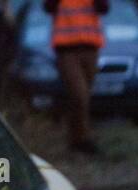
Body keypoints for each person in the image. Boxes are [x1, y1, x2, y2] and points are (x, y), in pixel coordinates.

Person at [45, 0, 110, 155]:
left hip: (90, 47)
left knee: (82, 97)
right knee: (79, 95)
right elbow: (48, 7)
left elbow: (104, 8)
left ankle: (76, 141)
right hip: (66, 50)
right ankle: (84, 140)